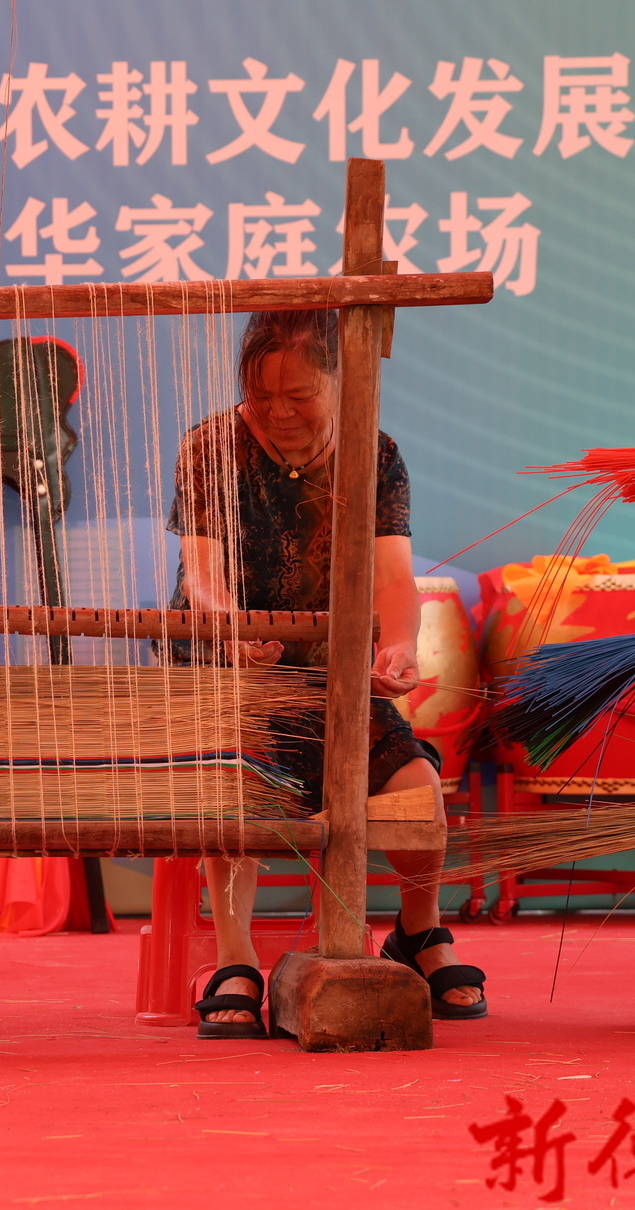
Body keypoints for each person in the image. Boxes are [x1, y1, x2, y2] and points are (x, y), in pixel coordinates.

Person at [163, 309, 486, 1038]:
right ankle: (235, 957)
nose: (278, 411)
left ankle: (418, 932)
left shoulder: (374, 453)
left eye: (299, 395)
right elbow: (202, 573)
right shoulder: (211, 446)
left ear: (342, 382)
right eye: (261, 394)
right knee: (235, 787)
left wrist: (397, 646)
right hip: (229, 673)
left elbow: (392, 579)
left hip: (331, 681)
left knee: (416, 790)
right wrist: (229, 625)